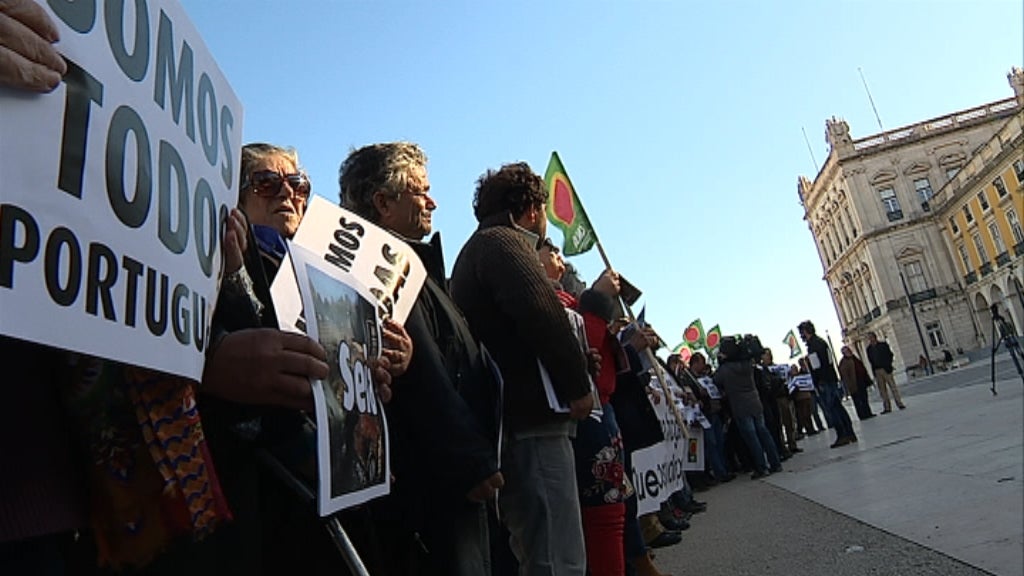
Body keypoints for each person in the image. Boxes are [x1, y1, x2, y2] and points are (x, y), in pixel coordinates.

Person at [338, 142, 504, 576]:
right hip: (438, 479)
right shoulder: (383, 268)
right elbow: (425, 370)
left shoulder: (416, 267)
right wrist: (471, 462)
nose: (432, 200)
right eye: (421, 191)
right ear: (383, 202)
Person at [450, 162, 593, 575]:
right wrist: (577, 384)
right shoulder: (505, 244)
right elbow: (541, 313)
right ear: (532, 210)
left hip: (517, 424)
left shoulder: (480, 249)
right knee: (555, 554)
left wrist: (580, 358)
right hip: (531, 427)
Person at [537, 240, 629, 576]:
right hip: (583, 418)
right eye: (550, 251)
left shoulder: (569, 299)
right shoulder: (545, 300)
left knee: (613, 510)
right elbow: (583, 347)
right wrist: (597, 301)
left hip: (602, 411)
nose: (559, 258)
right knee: (601, 514)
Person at [713, 337, 782, 479]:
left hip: (740, 405)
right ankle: (775, 463)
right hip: (755, 401)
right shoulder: (747, 364)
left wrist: (720, 362)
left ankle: (761, 467)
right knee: (764, 432)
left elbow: (716, 380)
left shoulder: (725, 369)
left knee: (752, 437)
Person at [798, 321, 856, 448]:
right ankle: (850, 432)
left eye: (802, 333)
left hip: (824, 381)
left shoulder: (813, 345)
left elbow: (816, 366)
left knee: (832, 409)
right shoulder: (822, 342)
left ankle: (842, 435)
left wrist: (818, 382)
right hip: (831, 378)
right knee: (839, 407)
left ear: (806, 332)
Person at [865, 332, 906, 413]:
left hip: (885, 369)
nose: (870, 339)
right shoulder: (869, 349)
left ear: (875, 337)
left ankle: (899, 403)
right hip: (877, 370)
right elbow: (871, 360)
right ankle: (887, 407)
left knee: (893, 387)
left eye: (871, 337)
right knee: (882, 390)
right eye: (868, 338)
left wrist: (888, 364)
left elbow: (890, 354)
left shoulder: (883, 345)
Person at [838, 346, 876, 421]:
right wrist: (849, 386)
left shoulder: (854, 358)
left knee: (864, 398)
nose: (848, 352)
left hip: (861, 380)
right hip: (854, 383)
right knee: (858, 400)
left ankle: (868, 412)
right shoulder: (844, 362)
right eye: (846, 352)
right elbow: (845, 376)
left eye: (848, 350)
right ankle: (862, 415)